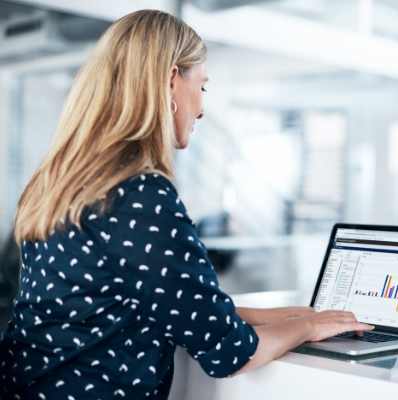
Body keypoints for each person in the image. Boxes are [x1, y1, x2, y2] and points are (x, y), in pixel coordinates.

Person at [0, 9, 373, 399]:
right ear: (171, 80)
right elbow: (230, 352)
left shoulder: (59, 182)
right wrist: (310, 329)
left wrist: (293, 314)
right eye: (203, 87)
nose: (202, 108)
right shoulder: (139, 194)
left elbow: (156, 304)